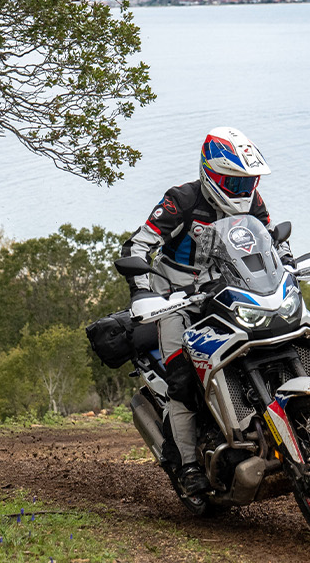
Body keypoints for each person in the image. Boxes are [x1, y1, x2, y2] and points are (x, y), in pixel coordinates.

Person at [121, 127, 291, 496]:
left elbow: (272, 239)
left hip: (228, 291)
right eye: (234, 182)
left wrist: (289, 265)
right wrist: (142, 292)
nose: (242, 190)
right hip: (176, 299)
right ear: (211, 175)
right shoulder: (181, 200)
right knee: (182, 380)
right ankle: (188, 466)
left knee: (271, 340)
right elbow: (137, 245)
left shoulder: (253, 201)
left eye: (248, 182)